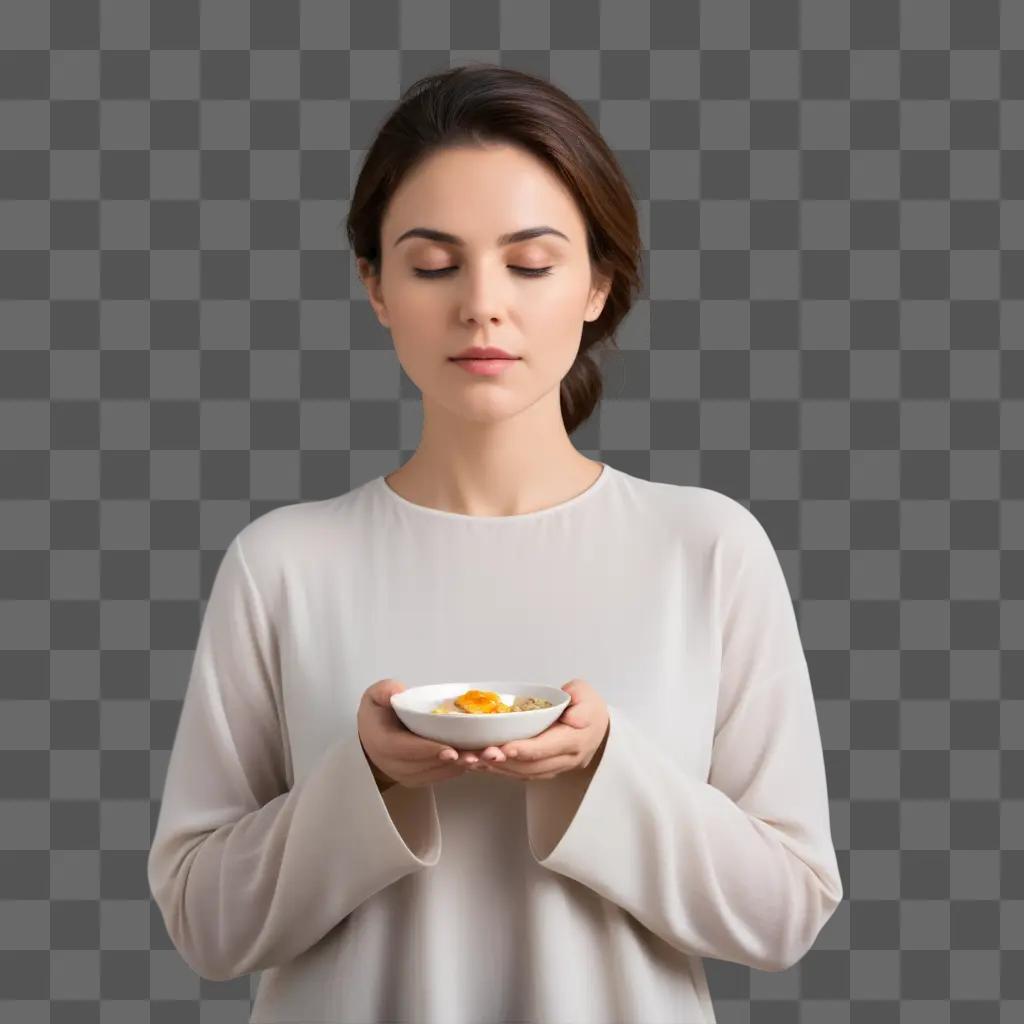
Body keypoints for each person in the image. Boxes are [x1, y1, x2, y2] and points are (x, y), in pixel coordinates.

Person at [147, 63, 843, 1024]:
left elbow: (786, 914)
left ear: (598, 281)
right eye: (434, 264)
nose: (482, 304)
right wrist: (374, 779)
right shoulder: (283, 563)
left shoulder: (707, 547)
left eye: (530, 262)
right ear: (376, 287)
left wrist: (604, 766)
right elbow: (203, 925)